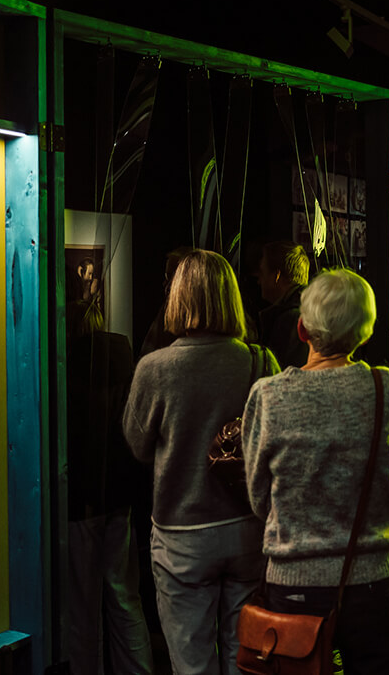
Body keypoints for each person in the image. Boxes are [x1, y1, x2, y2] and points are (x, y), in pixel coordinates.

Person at [241, 269, 389, 674]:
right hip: (376, 581)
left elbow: (257, 497)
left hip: (294, 581)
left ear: (302, 329)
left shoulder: (269, 395)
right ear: (366, 333)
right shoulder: (388, 387)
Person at [123, 249, 278, 675]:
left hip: (182, 536)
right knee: (244, 659)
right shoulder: (261, 361)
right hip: (248, 529)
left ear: (178, 297)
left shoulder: (153, 368)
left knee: (191, 664)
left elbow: (136, 445)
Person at [64, 299, 153, 675]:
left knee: (82, 606)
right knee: (124, 597)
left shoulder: (69, 365)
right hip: (122, 497)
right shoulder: (125, 358)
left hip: (82, 500)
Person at [254, 240, 310, 369]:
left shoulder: (289, 320)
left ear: (276, 276)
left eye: (262, 273)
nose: (259, 281)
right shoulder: (311, 310)